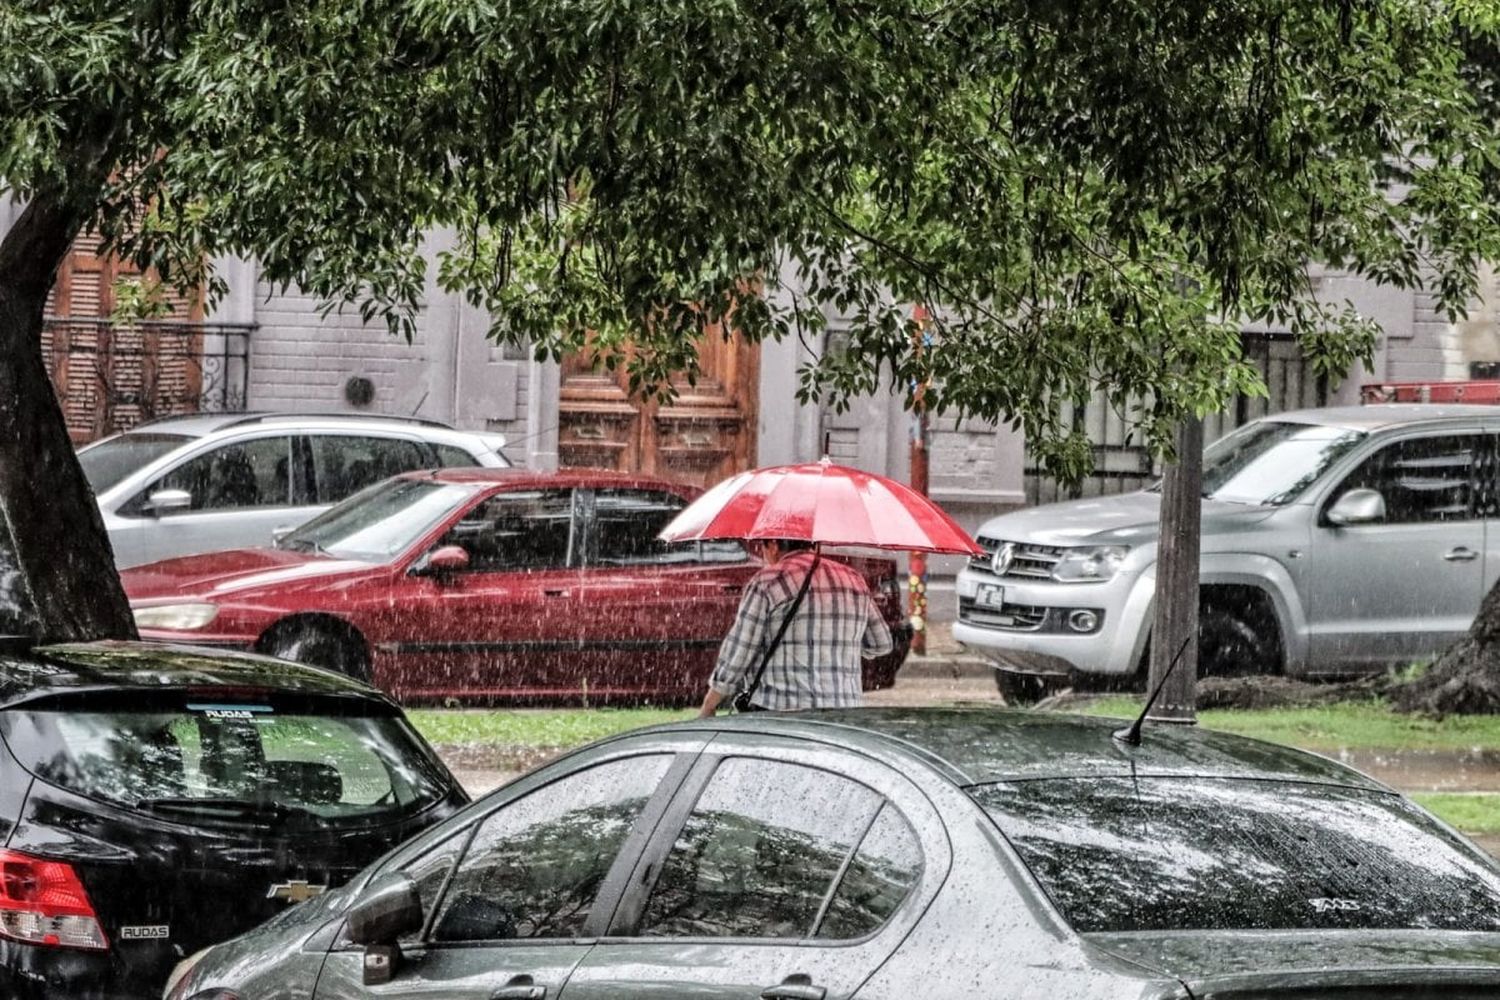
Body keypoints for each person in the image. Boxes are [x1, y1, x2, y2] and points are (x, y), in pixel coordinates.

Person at [698, 538, 894, 715]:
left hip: (781, 712)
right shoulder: (853, 579)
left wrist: (710, 703)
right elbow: (881, 644)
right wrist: (835, 643)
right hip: (844, 713)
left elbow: (740, 650)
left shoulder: (767, 581)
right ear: (813, 544)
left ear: (773, 545)